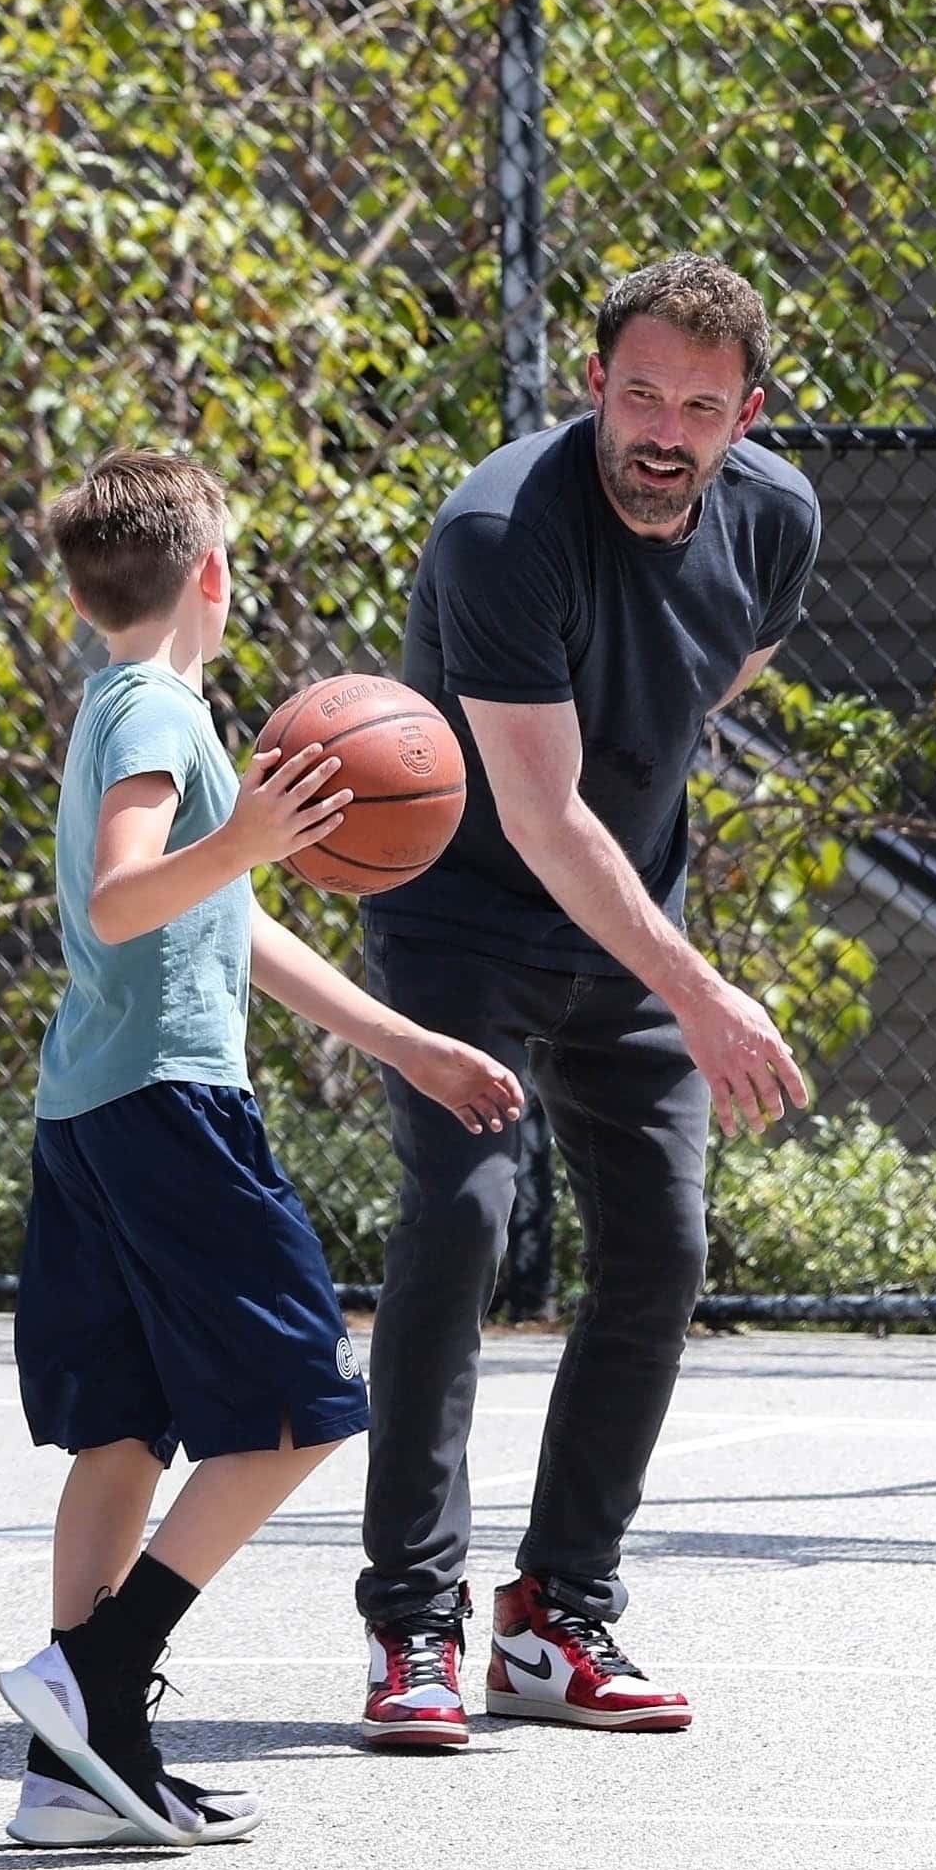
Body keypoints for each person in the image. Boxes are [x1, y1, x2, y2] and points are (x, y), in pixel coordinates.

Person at [0, 450, 523, 1847]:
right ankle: (95, 1669)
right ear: (211, 576)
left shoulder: (115, 698)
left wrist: (397, 1037)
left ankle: (76, 1772)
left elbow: (222, 920)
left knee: (119, 1431)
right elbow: (126, 897)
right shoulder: (161, 707)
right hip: (168, 1107)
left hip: (88, 1111)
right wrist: (242, 830)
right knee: (300, 1406)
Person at [356, 254, 818, 1748]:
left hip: (626, 929)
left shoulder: (776, 518)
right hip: (464, 928)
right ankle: (414, 1627)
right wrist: (701, 990)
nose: (661, 430)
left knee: (663, 1243)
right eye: (637, 393)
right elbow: (548, 815)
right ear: (592, 381)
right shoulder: (501, 533)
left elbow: (699, 690)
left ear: (744, 414)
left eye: (697, 403)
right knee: (464, 1218)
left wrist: (659, 952)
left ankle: (556, 1614)